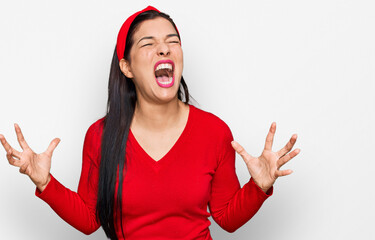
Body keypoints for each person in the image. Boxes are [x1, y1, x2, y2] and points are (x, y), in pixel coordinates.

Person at [0, 5, 300, 240]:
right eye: (149, 43)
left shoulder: (214, 131)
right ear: (126, 67)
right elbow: (90, 220)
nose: (165, 48)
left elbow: (227, 217)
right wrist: (44, 183)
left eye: (173, 41)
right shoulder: (100, 135)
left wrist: (259, 187)